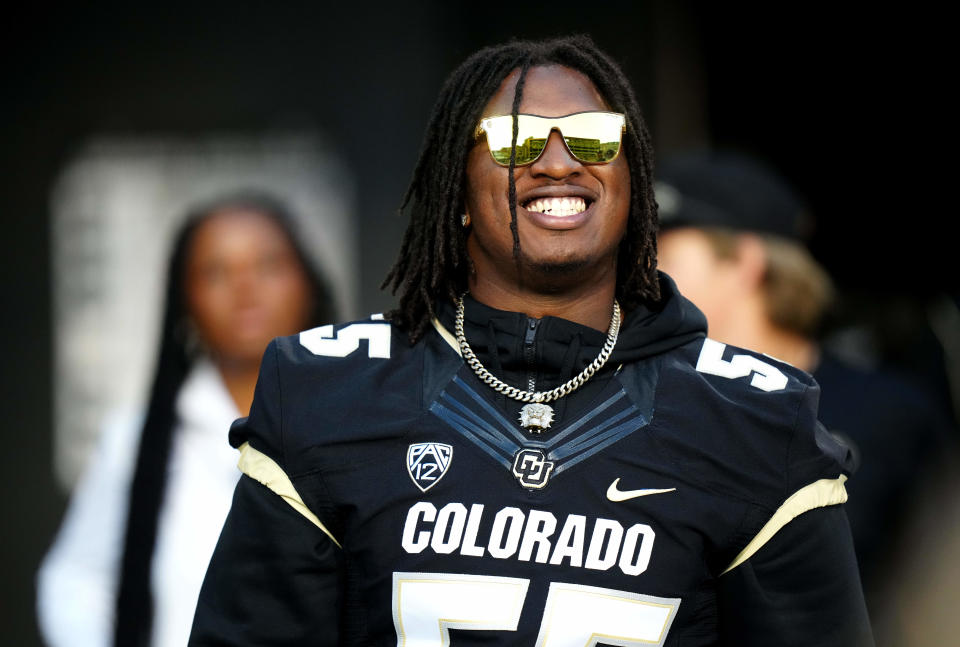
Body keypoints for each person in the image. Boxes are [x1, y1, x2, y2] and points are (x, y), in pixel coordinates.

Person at [190, 36, 873, 646]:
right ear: (456, 186)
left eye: (594, 138)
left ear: (631, 183)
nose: (558, 162)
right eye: (517, 141)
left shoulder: (758, 421)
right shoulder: (327, 395)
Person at [655, 149, 952, 644]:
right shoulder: (647, 400)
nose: (646, 277)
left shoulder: (891, 414)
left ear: (745, 263)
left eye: (665, 256)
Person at [37, 191, 337, 647]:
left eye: (269, 264)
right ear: (185, 301)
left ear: (308, 282)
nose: (245, 288)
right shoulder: (135, 443)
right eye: (216, 272)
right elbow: (76, 582)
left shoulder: (361, 423)